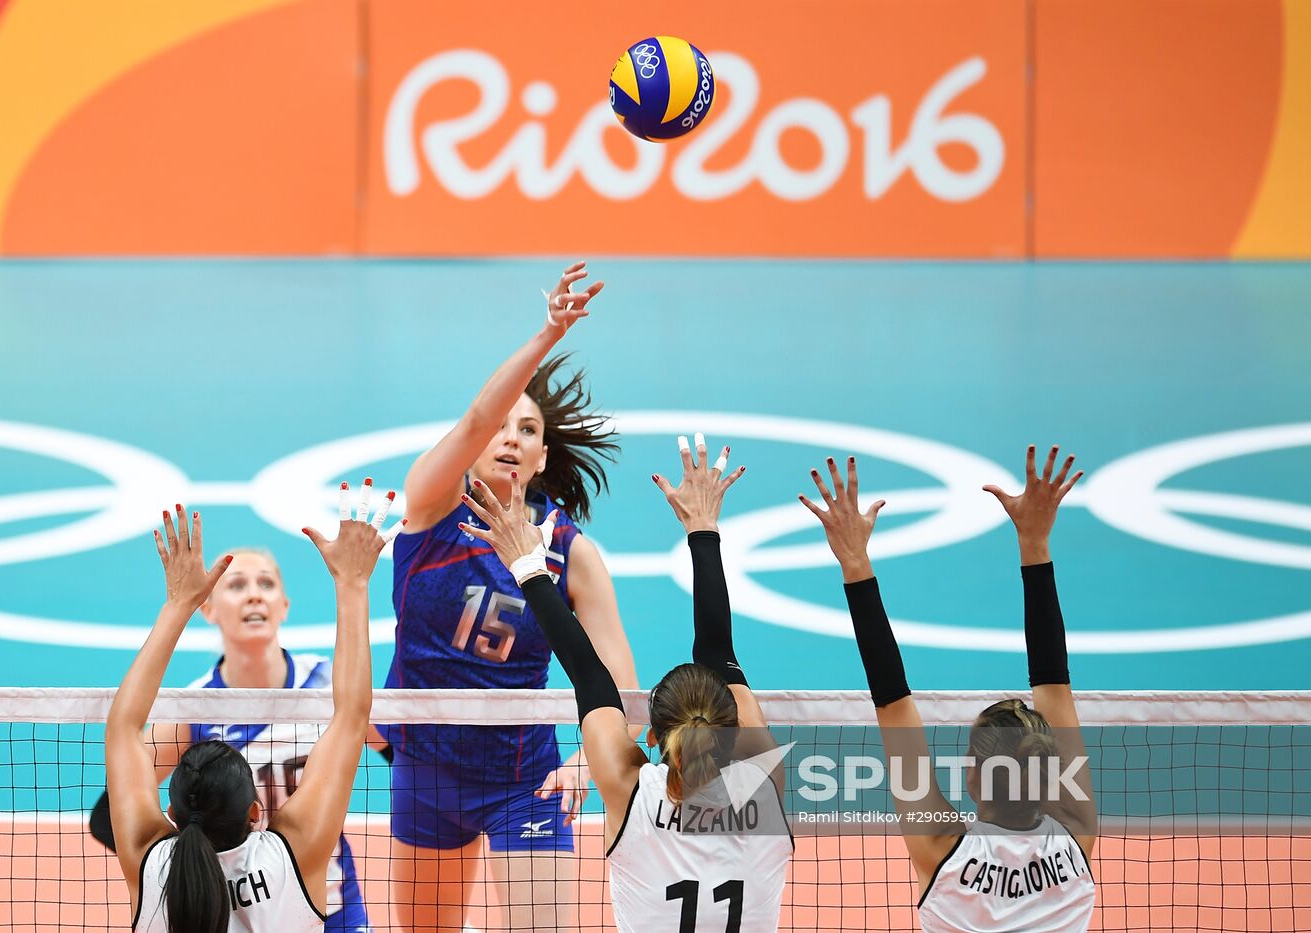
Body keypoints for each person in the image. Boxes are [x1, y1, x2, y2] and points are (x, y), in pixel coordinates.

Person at [384, 261, 639, 930]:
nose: (510, 436)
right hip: (427, 769)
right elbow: (475, 416)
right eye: (503, 424)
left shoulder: (571, 554)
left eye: (528, 430)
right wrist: (549, 332)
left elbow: (623, 685)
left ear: (542, 458)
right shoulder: (430, 513)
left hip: (524, 778)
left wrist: (591, 757)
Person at [458, 434, 793, 932]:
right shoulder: (765, 789)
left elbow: (591, 674)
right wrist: (703, 528)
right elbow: (714, 656)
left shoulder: (632, 794)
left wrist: (525, 563)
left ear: (653, 736)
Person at [800, 447, 1097, 932]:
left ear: (973, 778)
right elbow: (1055, 686)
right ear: (1052, 779)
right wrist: (1036, 543)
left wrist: (854, 557)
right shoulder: (1075, 837)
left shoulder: (943, 852)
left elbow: (893, 703)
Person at [91, 483, 396, 931]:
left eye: (265, 583)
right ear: (255, 813)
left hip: (304, 905)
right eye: (237, 584)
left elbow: (122, 732)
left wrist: (177, 602)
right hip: (303, 895)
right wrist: (352, 582)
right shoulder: (196, 709)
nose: (254, 594)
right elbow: (352, 718)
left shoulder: (155, 872)